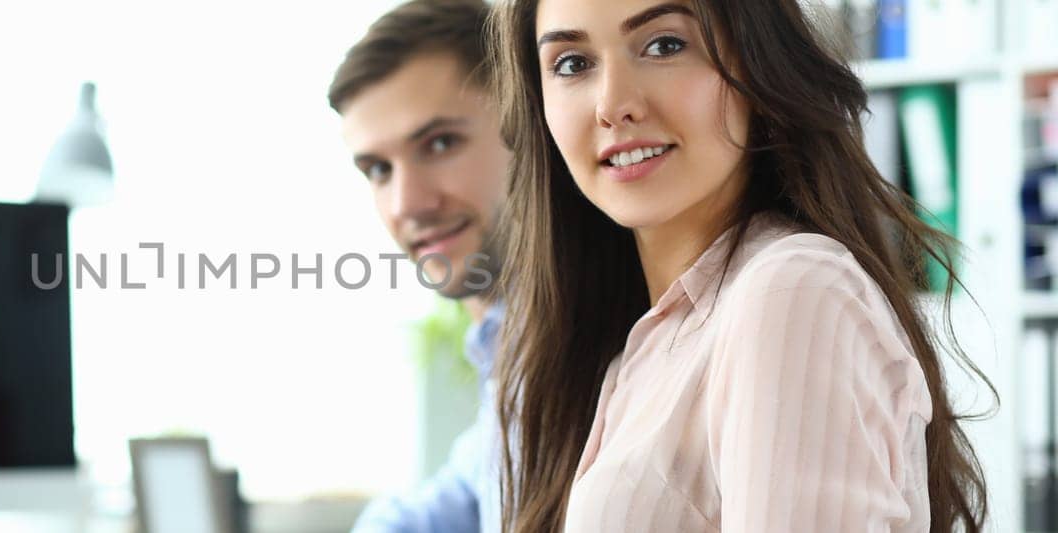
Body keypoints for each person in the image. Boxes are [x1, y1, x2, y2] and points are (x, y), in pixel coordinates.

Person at [483, 0, 990, 531]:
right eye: (572, 63)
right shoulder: (633, 342)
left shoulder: (792, 291)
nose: (613, 104)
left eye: (665, 45)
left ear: (758, 64)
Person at [328, 0, 510, 531]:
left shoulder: (599, 337)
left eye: (439, 143)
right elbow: (443, 506)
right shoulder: (505, 347)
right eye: (379, 169)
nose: (407, 202)